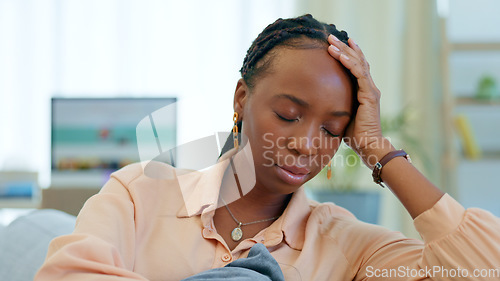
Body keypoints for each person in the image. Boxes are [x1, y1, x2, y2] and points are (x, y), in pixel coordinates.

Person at [35, 14, 500, 280]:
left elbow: (482, 272)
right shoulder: (140, 192)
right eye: (288, 115)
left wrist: (379, 150)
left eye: (333, 129)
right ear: (242, 98)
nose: (304, 145)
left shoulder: (348, 245)